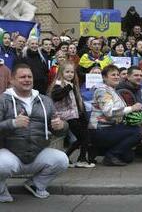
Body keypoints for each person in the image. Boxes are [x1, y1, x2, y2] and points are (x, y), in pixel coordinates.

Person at [0, 64, 68, 202]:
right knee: (2, 165)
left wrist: (61, 126)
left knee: (61, 160)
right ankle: (1, 190)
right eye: (22, 77)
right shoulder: (2, 100)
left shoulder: (45, 100)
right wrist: (12, 123)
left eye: (29, 77)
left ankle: (35, 185)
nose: (27, 80)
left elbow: (60, 131)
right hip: (10, 153)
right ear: (12, 80)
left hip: (37, 152)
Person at [88, 64, 142, 166]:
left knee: (128, 157)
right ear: (105, 77)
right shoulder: (102, 90)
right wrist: (132, 108)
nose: (116, 77)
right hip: (100, 130)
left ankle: (99, 150)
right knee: (138, 132)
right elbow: (109, 112)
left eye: (118, 74)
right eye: (113, 75)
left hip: (111, 128)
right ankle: (110, 156)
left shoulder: (111, 89)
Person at [49, 61, 95, 168]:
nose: (70, 74)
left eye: (72, 72)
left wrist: (81, 113)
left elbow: (76, 101)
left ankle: (67, 157)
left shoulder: (72, 85)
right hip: (66, 116)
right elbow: (56, 96)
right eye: (67, 72)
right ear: (61, 73)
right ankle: (81, 159)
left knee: (83, 137)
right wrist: (67, 88)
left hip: (74, 115)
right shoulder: (59, 84)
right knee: (83, 137)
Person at [116, 66, 142, 139]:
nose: (139, 77)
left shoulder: (137, 88)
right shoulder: (124, 91)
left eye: (141, 75)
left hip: (136, 120)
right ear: (128, 77)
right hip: (124, 123)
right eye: (136, 75)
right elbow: (129, 118)